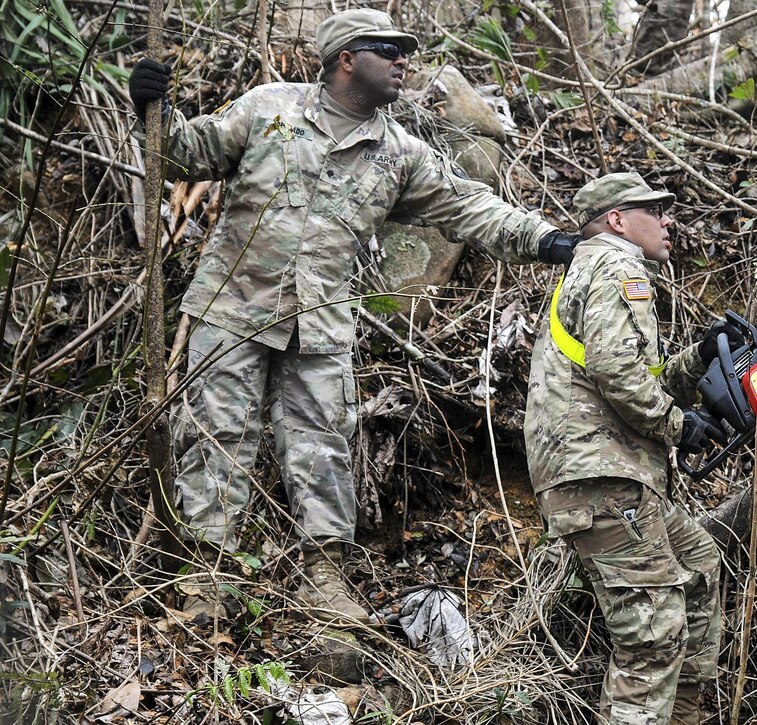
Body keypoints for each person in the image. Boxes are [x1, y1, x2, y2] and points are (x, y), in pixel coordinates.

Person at [127, 8, 579, 627]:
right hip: (232, 309)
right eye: (389, 50)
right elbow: (186, 152)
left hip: (319, 327)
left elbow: (469, 208)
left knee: (322, 449)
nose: (403, 62)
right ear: (346, 57)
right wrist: (150, 108)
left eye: (406, 51)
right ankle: (208, 583)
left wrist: (547, 239)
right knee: (217, 438)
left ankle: (325, 577)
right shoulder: (269, 109)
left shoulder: (400, 154)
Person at [523, 172, 728, 725]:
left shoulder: (590, 269)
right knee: (652, 637)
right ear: (617, 220)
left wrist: (699, 358)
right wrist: (678, 426)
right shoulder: (617, 266)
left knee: (699, 562)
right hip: (601, 474)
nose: (668, 221)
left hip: (604, 473)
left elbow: (628, 372)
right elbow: (618, 374)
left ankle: (682, 714)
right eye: (654, 211)